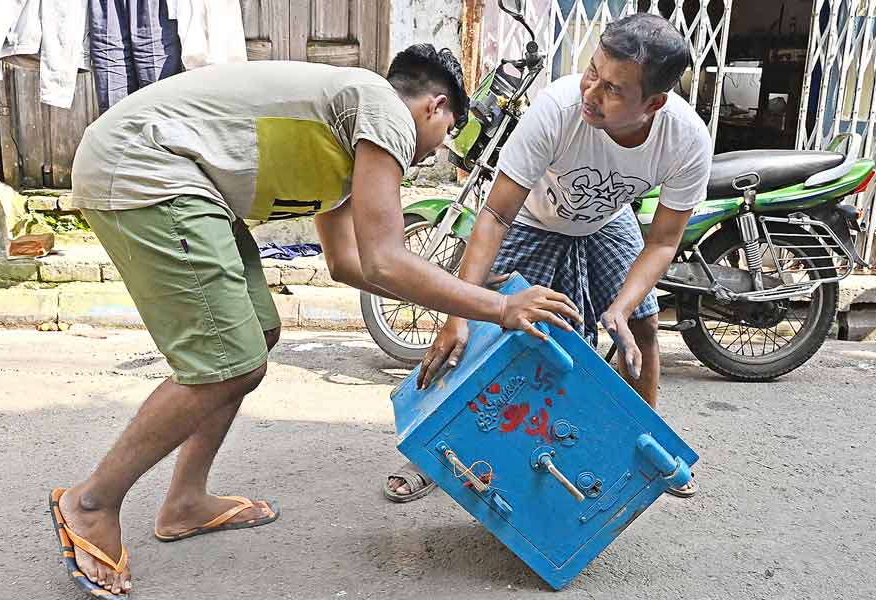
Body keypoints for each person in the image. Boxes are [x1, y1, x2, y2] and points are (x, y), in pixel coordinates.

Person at [50, 45, 581, 597]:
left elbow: (347, 264)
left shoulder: (348, 140)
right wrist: (496, 308)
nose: (434, 153)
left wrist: (463, 298)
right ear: (435, 106)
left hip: (179, 178)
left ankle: (185, 501)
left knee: (255, 338)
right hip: (147, 167)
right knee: (223, 364)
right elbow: (385, 260)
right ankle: (91, 502)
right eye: (446, 134)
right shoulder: (383, 108)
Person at [384, 13, 710, 503]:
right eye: (592, 71)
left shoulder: (686, 139)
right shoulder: (558, 108)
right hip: (532, 219)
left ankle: (649, 452)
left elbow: (663, 241)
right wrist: (458, 311)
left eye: (614, 89)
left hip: (606, 222)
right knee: (485, 331)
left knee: (641, 324)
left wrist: (620, 307)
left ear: (654, 103)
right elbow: (495, 213)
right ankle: (432, 452)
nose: (592, 93)